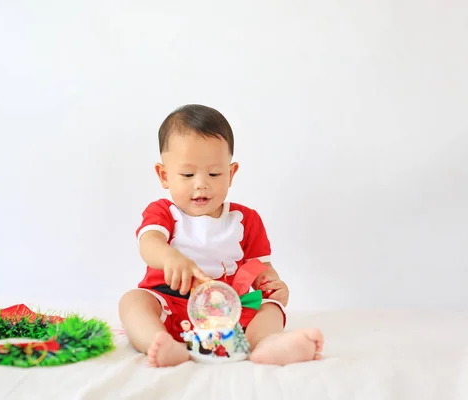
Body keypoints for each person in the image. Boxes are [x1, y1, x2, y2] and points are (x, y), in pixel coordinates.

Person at [118, 104, 324, 367]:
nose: (201, 183)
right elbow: (149, 243)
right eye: (188, 174)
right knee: (132, 301)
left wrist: (272, 284)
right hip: (169, 303)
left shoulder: (246, 219)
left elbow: (262, 267)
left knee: (270, 308)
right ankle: (158, 342)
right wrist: (170, 258)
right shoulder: (164, 212)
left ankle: (267, 344)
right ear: (164, 175)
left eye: (214, 173)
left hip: (227, 311)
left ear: (231, 173)